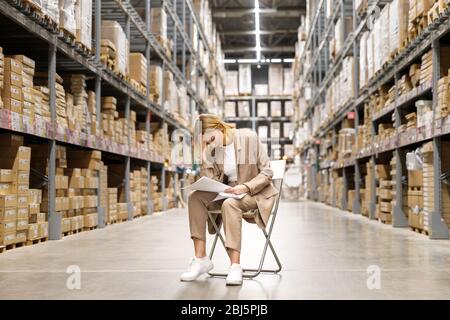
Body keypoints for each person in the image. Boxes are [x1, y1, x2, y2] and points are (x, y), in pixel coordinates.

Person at [180, 114, 278, 286]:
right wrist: (204, 156)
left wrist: (246, 187)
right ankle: (201, 258)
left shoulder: (249, 138)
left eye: (210, 139)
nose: (209, 145)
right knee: (195, 197)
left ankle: (235, 266)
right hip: (229, 191)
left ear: (219, 128)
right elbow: (209, 180)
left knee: (229, 204)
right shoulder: (212, 151)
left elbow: (268, 172)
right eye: (205, 143)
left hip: (254, 192)